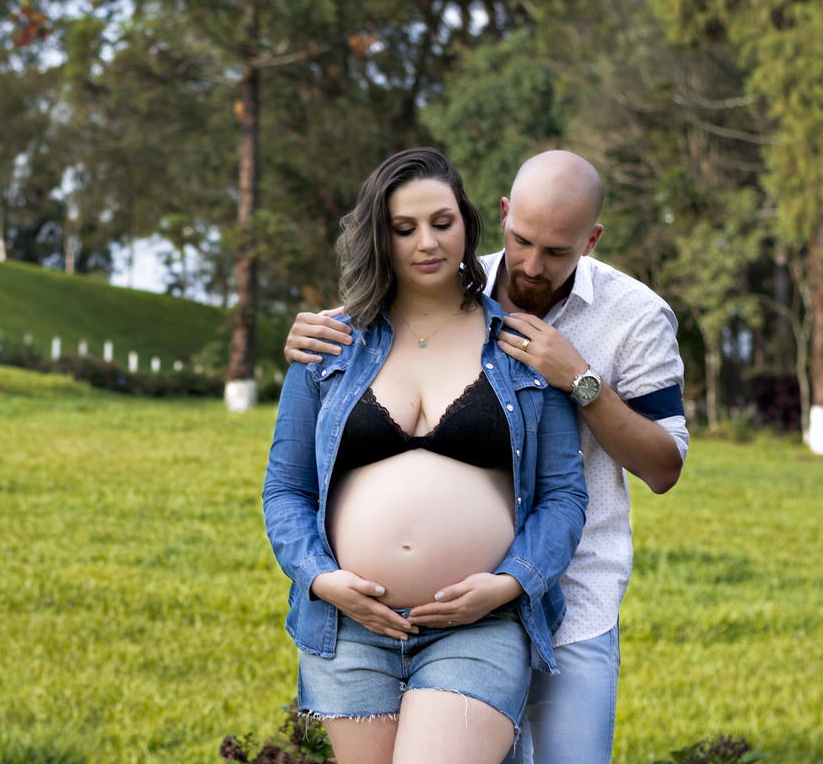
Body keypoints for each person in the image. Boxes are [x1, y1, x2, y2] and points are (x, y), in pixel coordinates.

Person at [283, 150, 689, 764]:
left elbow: (660, 467)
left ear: (592, 239)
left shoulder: (627, 319)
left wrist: (578, 378)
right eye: (522, 240)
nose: (531, 265)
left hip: (564, 589)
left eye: (557, 252)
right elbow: (289, 481)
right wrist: (320, 574)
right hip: (364, 628)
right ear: (500, 216)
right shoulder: (373, 320)